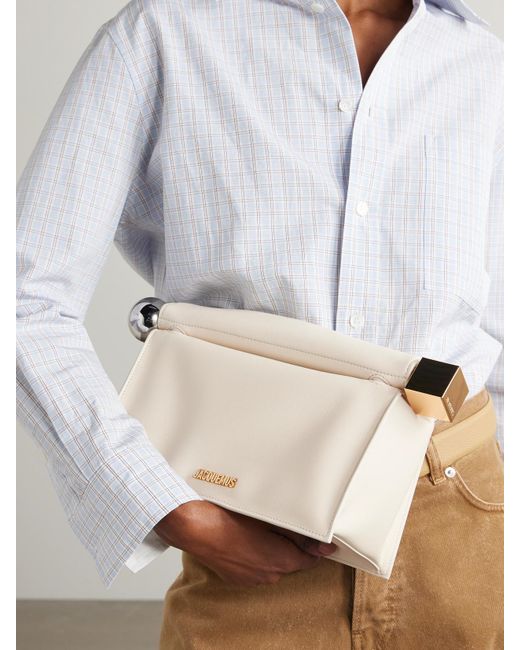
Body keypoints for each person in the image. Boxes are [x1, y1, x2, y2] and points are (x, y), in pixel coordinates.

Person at [16, 0, 503, 647]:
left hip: (464, 525)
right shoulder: (167, 33)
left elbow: (502, 324)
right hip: (253, 534)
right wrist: (166, 507)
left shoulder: (485, 61)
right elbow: (24, 300)